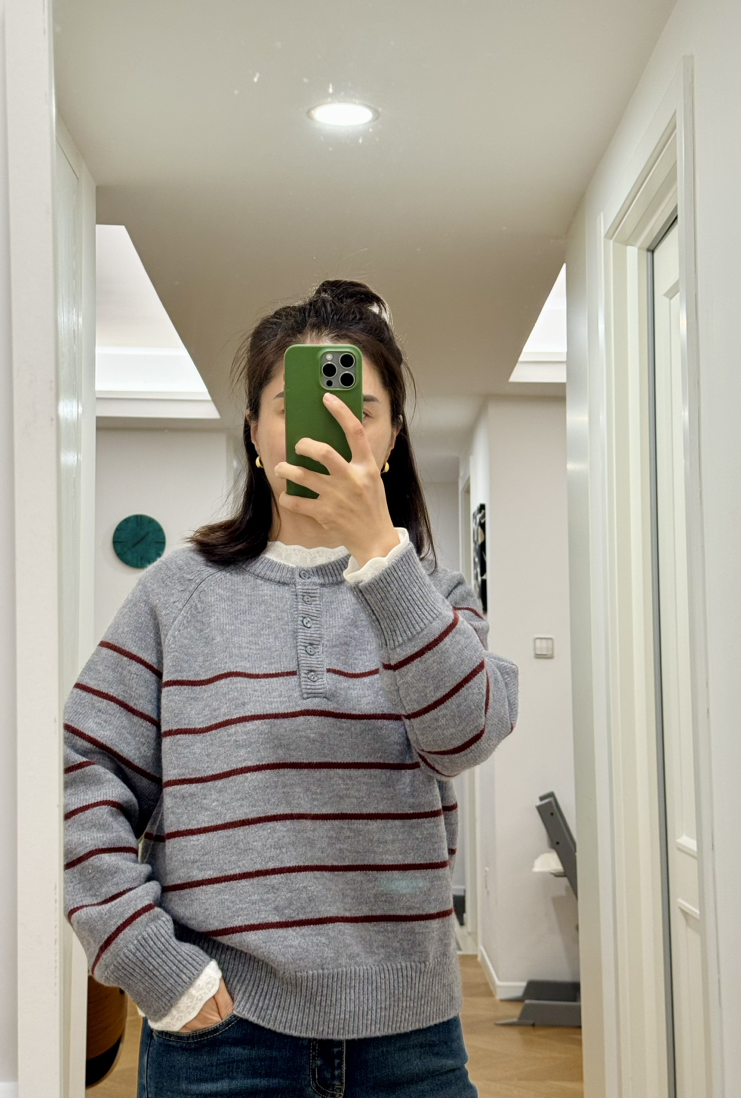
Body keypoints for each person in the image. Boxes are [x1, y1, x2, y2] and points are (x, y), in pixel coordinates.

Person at [63, 279, 519, 1096]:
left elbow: (465, 736)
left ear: (392, 434)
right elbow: (82, 775)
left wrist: (380, 553)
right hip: (221, 1037)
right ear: (254, 429)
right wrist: (146, 956)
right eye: (293, 405)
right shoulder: (176, 594)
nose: (333, 424)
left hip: (409, 1038)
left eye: (362, 408)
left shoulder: (435, 596)